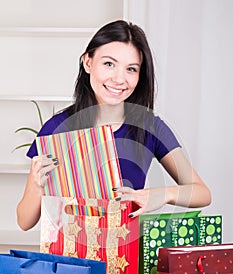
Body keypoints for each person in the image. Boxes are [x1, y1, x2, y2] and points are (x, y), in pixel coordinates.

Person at [17, 20, 211, 231]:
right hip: (73, 258)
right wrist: (36, 185)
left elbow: (202, 193)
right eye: (109, 64)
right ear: (88, 62)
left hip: (126, 255)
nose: (119, 78)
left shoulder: (150, 126)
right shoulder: (58, 127)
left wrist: (162, 194)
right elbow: (24, 222)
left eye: (131, 69)